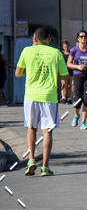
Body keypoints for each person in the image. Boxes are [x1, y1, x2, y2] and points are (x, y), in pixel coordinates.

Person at [15, 28, 68, 176]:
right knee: (47, 131)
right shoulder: (56, 53)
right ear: (49, 39)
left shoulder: (27, 51)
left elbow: (18, 73)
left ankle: (31, 159)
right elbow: (64, 76)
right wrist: (63, 90)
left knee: (31, 128)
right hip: (49, 97)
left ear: (34, 39)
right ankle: (45, 167)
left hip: (31, 96)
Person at [67, 30, 87, 128]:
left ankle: (83, 122)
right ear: (78, 39)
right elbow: (68, 64)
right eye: (81, 36)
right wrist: (77, 67)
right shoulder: (74, 50)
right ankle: (76, 115)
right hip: (78, 76)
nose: (83, 38)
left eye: (85, 36)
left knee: (86, 99)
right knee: (77, 100)